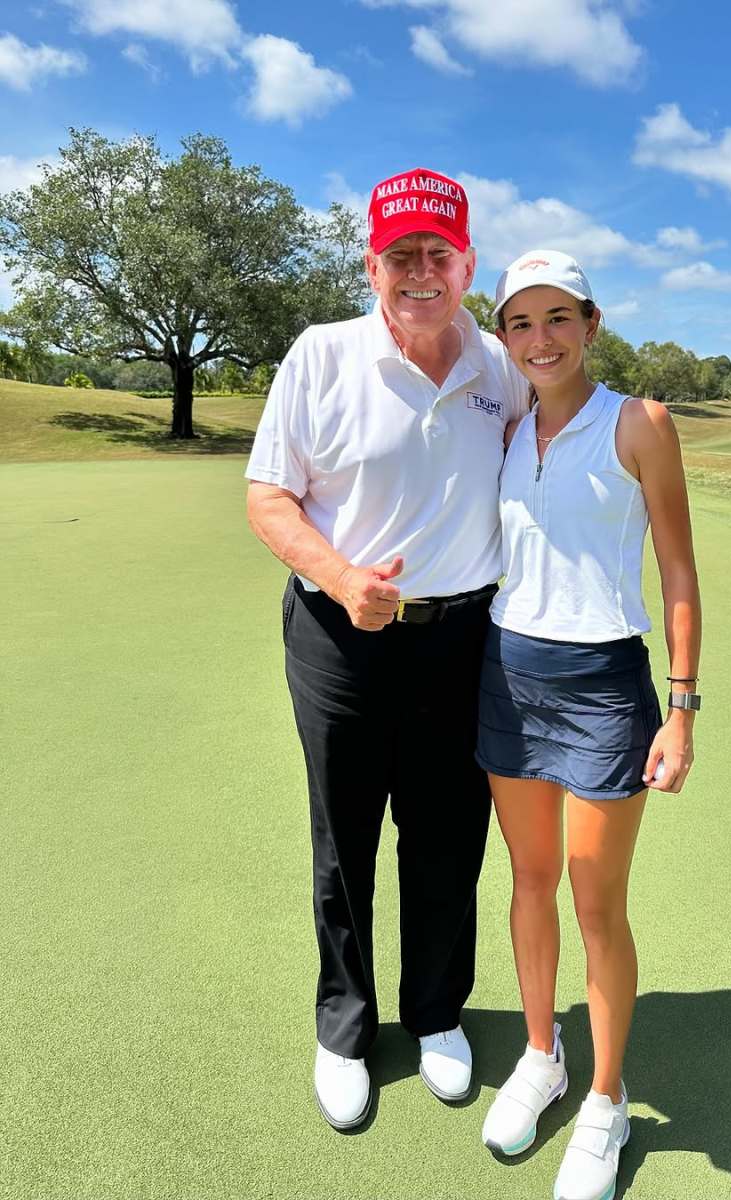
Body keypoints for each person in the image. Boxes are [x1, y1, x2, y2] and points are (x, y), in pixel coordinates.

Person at [244, 169, 527, 1131]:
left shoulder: (500, 367)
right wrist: (341, 577)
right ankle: (346, 1028)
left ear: (467, 265)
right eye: (399, 255)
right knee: (345, 837)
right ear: (372, 265)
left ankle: (438, 1015)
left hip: (464, 641)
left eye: (437, 255)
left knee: (449, 836)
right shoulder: (320, 357)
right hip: (340, 635)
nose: (419, 272)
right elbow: (268, 497)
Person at [476, 250, 702, 1200]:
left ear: (592, 323)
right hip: (506, 673)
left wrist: (681, 707)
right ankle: (543, 1054)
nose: (540, 340)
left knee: (593, 899)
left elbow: (681, 575)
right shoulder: (504, 421)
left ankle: (605, 1099)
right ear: (505, 336)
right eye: (520, 324)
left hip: (607, 685)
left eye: (557, 318)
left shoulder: (641, 423)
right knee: (529, 880)